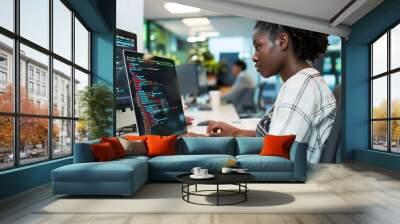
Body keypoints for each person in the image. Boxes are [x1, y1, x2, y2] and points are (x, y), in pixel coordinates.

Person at [189, 21, 336, 163]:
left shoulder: (300, 87)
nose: (254, 56)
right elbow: (273, 139)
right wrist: (235, 133)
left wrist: (204, 146)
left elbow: (275, 160)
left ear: (282, 41)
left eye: (258, 47)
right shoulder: (301, 82)